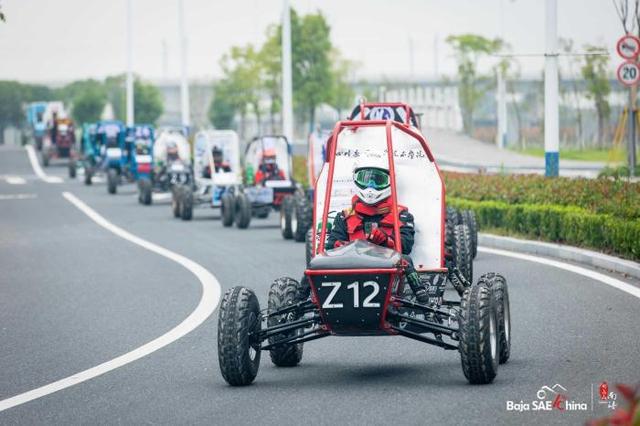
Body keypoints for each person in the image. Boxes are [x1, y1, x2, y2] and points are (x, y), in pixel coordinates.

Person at [325, 161, 430, 303]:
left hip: (385, 265)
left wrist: (384, 241)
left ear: (389, 182)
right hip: (349, 264)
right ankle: (299, 301)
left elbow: (406, 246)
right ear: (356, 180)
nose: (371, 186)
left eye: (377, 180)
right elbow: (330, 246)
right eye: (366, 179)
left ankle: (424, 302)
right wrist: (346, 245)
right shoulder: (344, 216)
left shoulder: (402, 215)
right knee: (316, 262)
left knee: (406, 260)